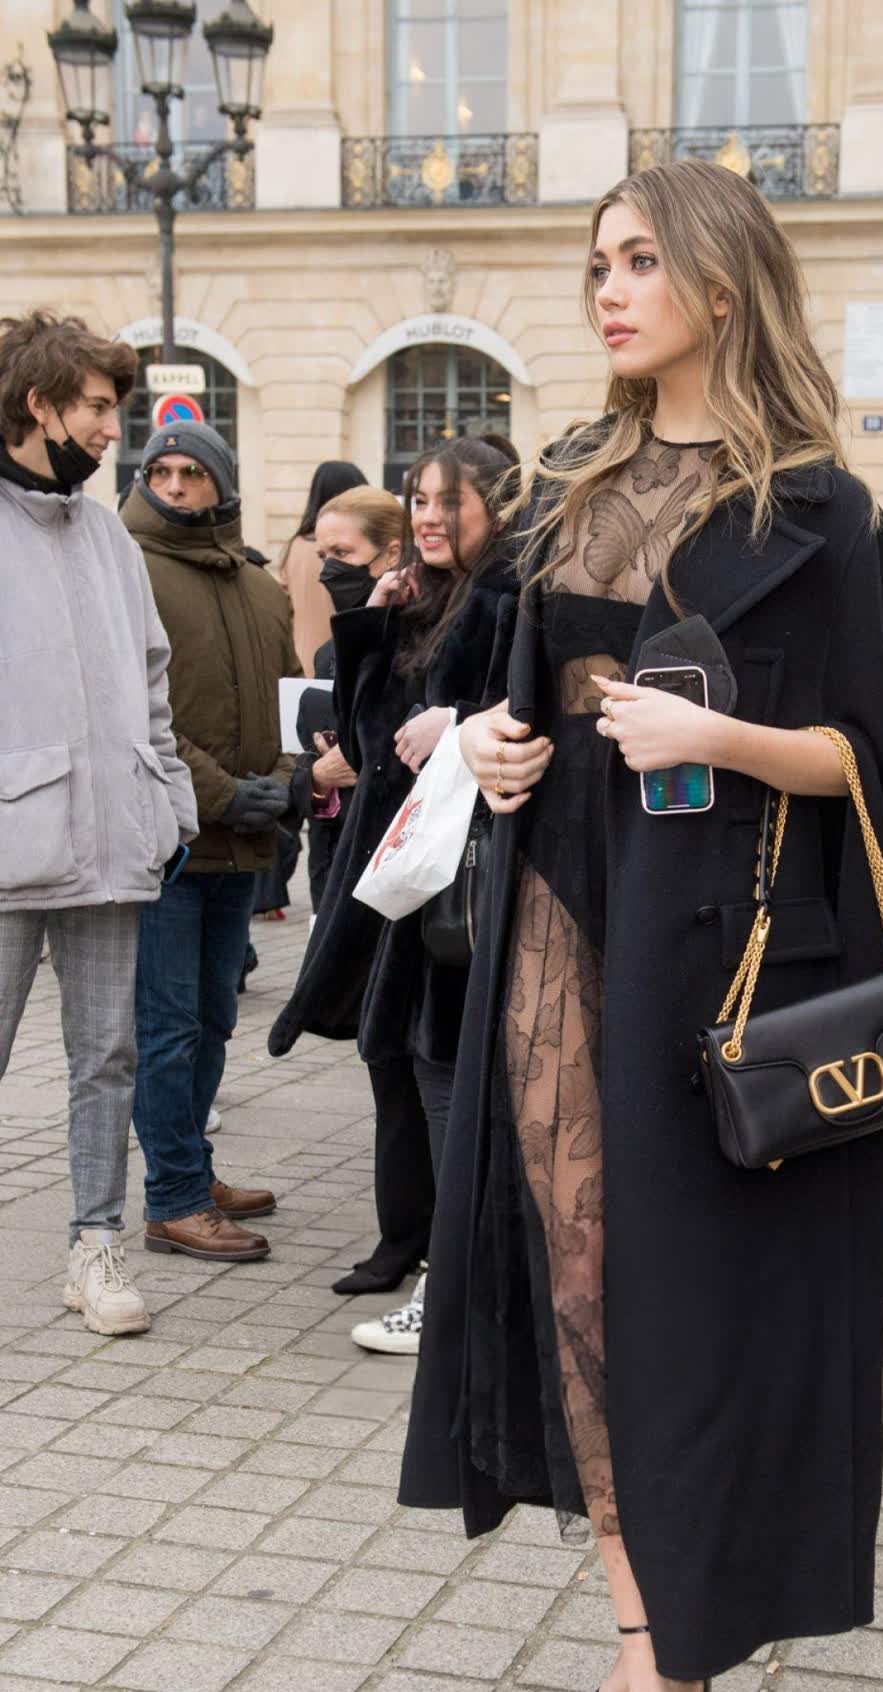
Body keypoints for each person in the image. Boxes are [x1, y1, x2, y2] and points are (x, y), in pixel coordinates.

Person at [398, 158, 883, 1692]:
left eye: (637, 261)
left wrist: (716, 741)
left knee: (685, 1315)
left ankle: (664, 1669)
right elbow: (501, 694)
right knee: (579, 1287)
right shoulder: (562, 487)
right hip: (556, 927)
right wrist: (493, 745)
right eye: (597, 263)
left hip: (720, 966)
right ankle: (652, 1645)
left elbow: (862, 769)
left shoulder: (824, 512)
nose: (608, 289)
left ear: (722, 284)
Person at [270, 445, 517, 1301]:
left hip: (459, 876)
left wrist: (462, 719)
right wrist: (370, 618)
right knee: (391, 1060)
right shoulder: (416, 597)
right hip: (390, 869)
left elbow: (541, 713)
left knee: (443, 1065)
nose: (430, 517)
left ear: (497, 505)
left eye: (451, 500)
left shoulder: (511, 598)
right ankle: (402, 1238)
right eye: (419, 500)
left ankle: (454, 1266)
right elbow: (358, 734)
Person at [0, 310, 197, 1336]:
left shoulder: (109, 535)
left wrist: (169, 800)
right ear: (39, 406)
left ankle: (97, 1245)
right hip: (10, 845)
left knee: (107, 1057)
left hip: (115, 841)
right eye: (96, 407)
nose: (114, 429)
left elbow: (152, 678)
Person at [122, 421, 309, 1265]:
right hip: (167, 842)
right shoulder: (128, 570)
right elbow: (134, 713)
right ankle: (173, 1199)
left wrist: (283, 778)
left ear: (221, 483)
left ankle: (191, 1169)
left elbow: (290, 696)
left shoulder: (260, 584)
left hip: (243, 842)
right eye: (159, 470)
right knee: (166, 1029)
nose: (174, 485)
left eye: (191, 472)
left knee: (213, 1017)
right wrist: (226, 792)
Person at [299, 486, 402, 911]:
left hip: (394, 857)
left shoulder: (420, 638)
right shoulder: (329, 653)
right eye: (323, 555)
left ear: (391, 554)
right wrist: (318, 775)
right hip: (336, 860)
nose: (329, 570)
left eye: (342, 553)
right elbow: (313, 770)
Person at [279, 458, 367, 674]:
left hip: (303, 663)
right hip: (342, 663)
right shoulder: (357, 550)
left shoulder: (294, 547)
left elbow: (284, 608)